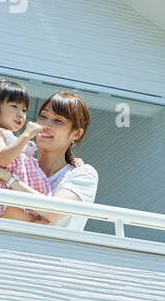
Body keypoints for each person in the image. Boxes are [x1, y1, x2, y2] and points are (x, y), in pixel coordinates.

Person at [6, 92, 98, 231]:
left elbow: (53, 211)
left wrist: (7, 178)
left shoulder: (83, 174)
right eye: (43, 116)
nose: (45, 125)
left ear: (77, 134)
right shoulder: (20, 163)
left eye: (58, 120)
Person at [0, 78, 53, 220]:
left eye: (24, 110)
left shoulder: (11, 137)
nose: (21, 113)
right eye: (14, 106)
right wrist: (26, 135)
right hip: (6, 201)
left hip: (19, 197)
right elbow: (2, 159)